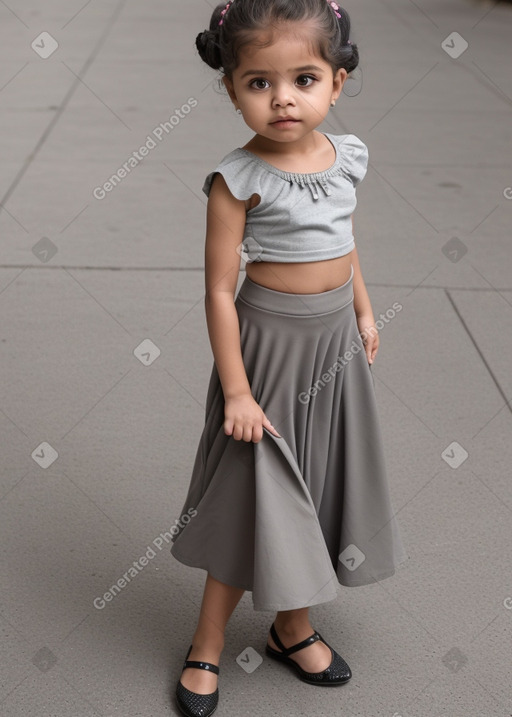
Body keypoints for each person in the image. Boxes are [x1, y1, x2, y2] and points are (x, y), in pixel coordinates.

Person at [171, 1, 408, 714]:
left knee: (320, 484)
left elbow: (345, 243)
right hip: (268, 351)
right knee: (254, 494)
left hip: (332, 343)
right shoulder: (237, 179)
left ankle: (291, 625)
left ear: (336, 83)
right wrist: (238, 391)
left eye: (303, 78)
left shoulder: (348, 156)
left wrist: (364, 308)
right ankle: (206, 643)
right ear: (231, 87)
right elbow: (218, 289)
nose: (283, 99)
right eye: (259, 83)